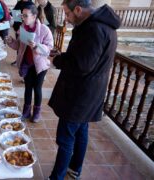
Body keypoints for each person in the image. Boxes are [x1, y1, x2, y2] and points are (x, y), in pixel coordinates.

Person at [48, 0, 120, 179]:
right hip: (90, 92)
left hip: (80, 94)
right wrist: (63, 56)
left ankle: (57, 176)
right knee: (81, 130)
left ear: (78, 10)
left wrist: (57, 61)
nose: (66, 18)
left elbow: (82, 65)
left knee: (65, 138)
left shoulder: (94, 29)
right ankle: (75, 167)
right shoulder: (100, 25)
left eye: (67, 13)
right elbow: (83, 56)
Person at [6, 4, 53, 122]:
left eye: (26, 16)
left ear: (34, 16)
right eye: (22, 15)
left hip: (39, 65)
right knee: (28, 88)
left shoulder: (44, 29)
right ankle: (26, 112)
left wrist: (37, 46)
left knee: (37, 88)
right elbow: (18, 46)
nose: (23, 18)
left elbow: (49, 49)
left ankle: (36, 113)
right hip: (27, 63)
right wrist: (11, 41)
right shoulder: (23, 28)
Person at [10, 0, 35, 65]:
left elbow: (30, 17)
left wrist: (23, 16)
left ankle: (23, 62)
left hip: (25, 28)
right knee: (18, 45)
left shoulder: (31, 4)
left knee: (24, 47)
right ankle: (18, 59)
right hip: (17, 27)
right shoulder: (19, 3)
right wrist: (9, 12)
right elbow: (14, 11)